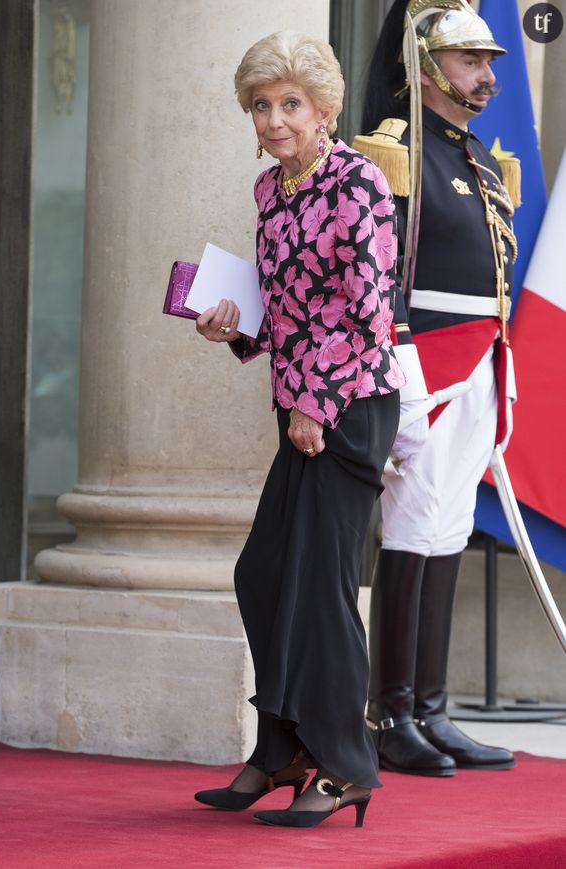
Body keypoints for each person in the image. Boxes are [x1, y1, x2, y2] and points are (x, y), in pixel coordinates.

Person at [193, 30, 405, 827]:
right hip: (302, 402)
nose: (274, 119)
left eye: (289, 104)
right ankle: (280, 750)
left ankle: (346, 764)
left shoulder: (357, 184)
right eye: (260, 105)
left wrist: (316, 402)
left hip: (348, 405)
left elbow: (366, 314)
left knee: (320, 589)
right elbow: (286, 310)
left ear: (324, 111)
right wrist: (233, 327)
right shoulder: (270, 191)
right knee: (266, 574)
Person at [355, 0, 518, 776]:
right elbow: (382, 275)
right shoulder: (396, 151)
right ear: (425, 66)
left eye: (489, 62)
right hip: (423, 362)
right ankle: (389, 711)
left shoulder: (481, 159)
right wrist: (402, 378)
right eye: (469, 62)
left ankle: (432, 706)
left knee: (449, 523)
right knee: (411, 525)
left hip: (483, 357)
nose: (487, 76)